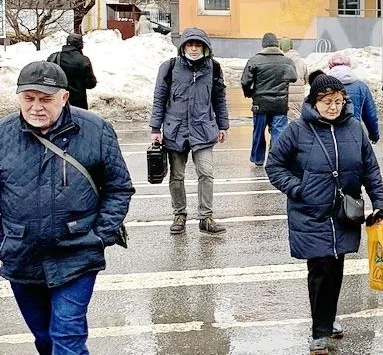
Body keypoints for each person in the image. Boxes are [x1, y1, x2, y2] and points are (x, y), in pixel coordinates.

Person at [0, 61, 134, 354]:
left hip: (76, 253)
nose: (36, 107)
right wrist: (4, 240)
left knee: (67, 335)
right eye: (29, 98)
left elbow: (118, 187)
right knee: (45, 339)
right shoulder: (3, 134)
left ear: (64, 97)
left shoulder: (95, 130)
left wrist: (100, 234)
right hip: (22, 256)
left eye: (46, 99)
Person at [267, 75, 383, 355]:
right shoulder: (297, 130)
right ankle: (319, 330)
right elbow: (274, 166)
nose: (333, 107)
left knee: (336, 268)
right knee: (320, 269)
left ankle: (328, 318)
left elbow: (370, 168)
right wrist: (298, 189)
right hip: (310, 212)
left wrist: (380, 201)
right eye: (326, 101)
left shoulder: (355, 128)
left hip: (344, 212)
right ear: (314, 101)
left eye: (338, 101)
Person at [150, 28, 230, 235]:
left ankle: (206, 217)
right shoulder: (169, 67)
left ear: (205, 47)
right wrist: (155, 128)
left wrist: (223, 125)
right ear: (183, 46)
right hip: (175, 130)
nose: (194, 49)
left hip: (203, 130)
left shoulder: (214, 68)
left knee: (206, 173)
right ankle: (180, 215)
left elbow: (219, 99)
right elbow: (159, 99)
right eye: (190, 44)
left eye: (198, 45)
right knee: (177, 176)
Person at [242, 33, 298, 167]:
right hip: (280, 104)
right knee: (279, 132)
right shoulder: (287, 61)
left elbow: (245, 81)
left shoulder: (254, 60)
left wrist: (249, 93)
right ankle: (277, 159)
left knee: (259, 133)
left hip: (260, 104)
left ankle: (258, 158)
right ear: (276, 45)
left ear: (263, 45)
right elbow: (294, 77)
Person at [328, 54, 380, 143]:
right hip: (354, 133)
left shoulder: (323, 85)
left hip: (329, 133)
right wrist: (374, 135)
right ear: (349, 67)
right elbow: (370, 114)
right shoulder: (361, 86)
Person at [47, 33, 97, 110]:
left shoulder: (54, 57)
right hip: (78, 105)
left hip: (58, 101)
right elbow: (91, 84)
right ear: (80, 45)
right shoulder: (83, 60)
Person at [281, 37, 310, 120]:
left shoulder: (280, 62)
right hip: (298, 97)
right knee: (297, 120)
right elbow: (306, 80)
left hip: (284, 95)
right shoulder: (301, 62)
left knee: (284, 121)